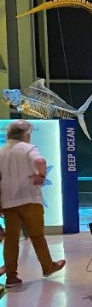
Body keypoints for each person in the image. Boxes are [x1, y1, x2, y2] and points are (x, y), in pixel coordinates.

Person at [0, 120, 66, 288]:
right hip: (29, 198)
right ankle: (47, 266)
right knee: (37, 235)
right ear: (26, 134)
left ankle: (11, 277)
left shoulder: (2, 151)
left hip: (8, 200)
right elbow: (40, 161)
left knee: (11, 240)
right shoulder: (28, 148)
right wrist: (41, 176)